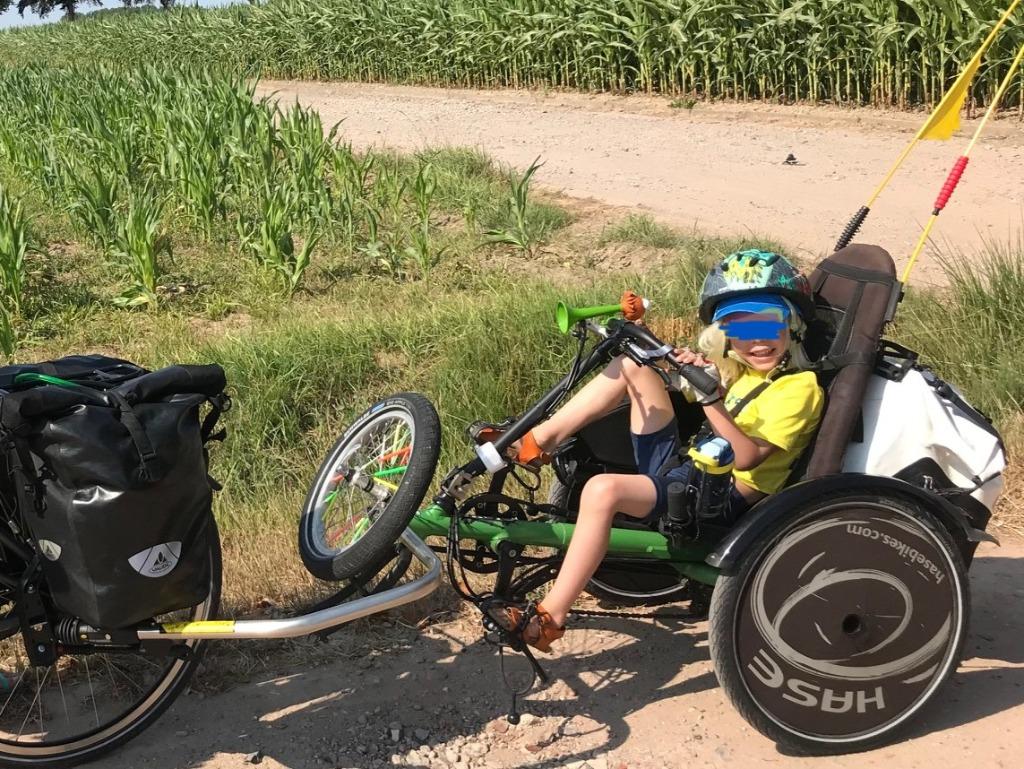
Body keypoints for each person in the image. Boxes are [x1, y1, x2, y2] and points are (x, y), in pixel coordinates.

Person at [482, 249, 825, 652]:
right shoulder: (746, 373)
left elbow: (747, 458)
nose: (758, 341)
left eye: (770, 324)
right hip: (687, 470)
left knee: (601, 491)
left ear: (793, 325)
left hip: (718, 500)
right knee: (634, 364)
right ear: (726, 337)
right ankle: (537, 441)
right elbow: (708, 395)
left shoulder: (800, 389)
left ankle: (549, 619)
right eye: (741, 330)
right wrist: (679, 363)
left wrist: (709, 396)